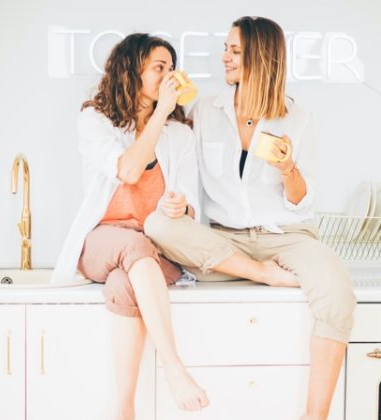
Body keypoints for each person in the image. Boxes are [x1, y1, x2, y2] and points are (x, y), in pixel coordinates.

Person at [144, 17, 356, 420]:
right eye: (226, 48)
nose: (223, 57)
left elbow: (301, 202)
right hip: (227, 244)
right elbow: (190, 186)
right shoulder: (207, 110)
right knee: (157, 224)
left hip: (288, 236)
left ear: (261, 57)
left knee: (337, 294)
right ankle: (262, 273)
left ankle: (316, 416)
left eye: (234, 51)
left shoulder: (297, 116)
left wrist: (289, 168)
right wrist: (182, 206)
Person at [51, 33, 209, 420]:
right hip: (104, 243)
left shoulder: (181, 134)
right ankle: (174, 368)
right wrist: (159, 114)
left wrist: (181, 205)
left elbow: (191, 204)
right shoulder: (95, 121)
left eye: (172, 68)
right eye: (159, 68)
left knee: (126, 282)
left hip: (156, 248)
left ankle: (123, 408)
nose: (169, 76)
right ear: (131, 70)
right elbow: (128, 169)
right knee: (133, 251)